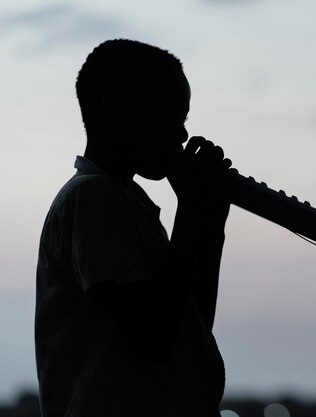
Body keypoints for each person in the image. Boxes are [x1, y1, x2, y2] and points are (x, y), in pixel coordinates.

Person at [35, 39, 231, 417]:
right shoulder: (90, 198)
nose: (181, 135)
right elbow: (153, 337)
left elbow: (188, 329)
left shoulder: (126, 202)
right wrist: (191, 210)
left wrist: (210, 224)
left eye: (184, 120)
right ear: (116, 111)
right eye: (170, 116)